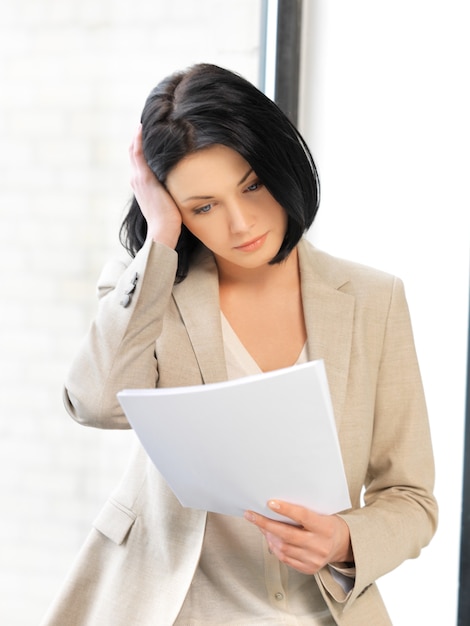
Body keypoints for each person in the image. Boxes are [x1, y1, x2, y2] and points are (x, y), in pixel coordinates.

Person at [42, 63, 437, 626]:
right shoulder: (148, 288)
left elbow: (411, 498)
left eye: (252, 184)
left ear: (281, 161)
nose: (241, 223)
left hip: (320, 611)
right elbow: (97, 404)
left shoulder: (374, 300)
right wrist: (158, 240)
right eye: (203, 206)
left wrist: (344, 539)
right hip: (170, 606)